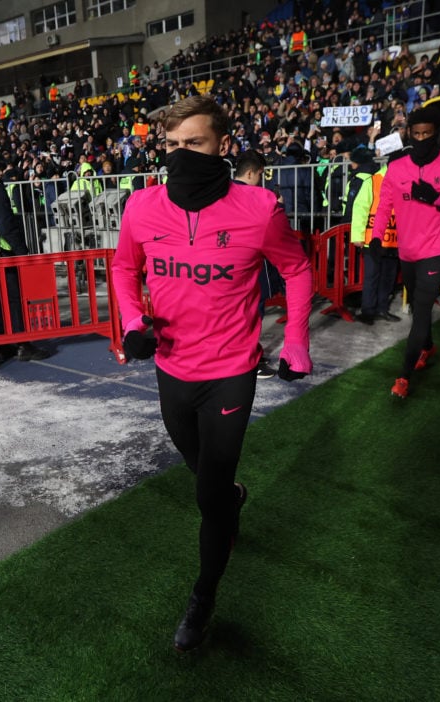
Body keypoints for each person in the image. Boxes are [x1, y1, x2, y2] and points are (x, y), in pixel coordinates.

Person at [111, 95, 313, 652]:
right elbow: (124, 267)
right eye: (172, 145)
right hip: (172, 369)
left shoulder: (260, 207)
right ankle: (231, 500)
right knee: (209, 481)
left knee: (208, 494)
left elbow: (295, 269)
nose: (180, 155)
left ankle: (202, 597)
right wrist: (132, 320)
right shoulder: (142, 207)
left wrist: (295, 340)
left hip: (232, 371)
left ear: (221, 144)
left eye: (193, 143)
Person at [370, 106, 440, 398]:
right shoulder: (397, 167)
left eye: (428, 134)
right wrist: (376, 239)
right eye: (417, 133)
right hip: (407, 251)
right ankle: (427, 346)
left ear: (437, 134)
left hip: (437, 250)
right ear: (409, 134)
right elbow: (384, 203)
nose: (422, 138)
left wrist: (437, 197)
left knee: (422, 309)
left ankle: (403, 377)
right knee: (416, 306)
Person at [0, 150, 50, 362]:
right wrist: (22, 251)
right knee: (14, 299)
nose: (1, 173)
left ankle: (3, 345)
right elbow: (6, 224)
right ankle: (23, 344)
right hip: (1, 252)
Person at [233, 149, 280, 379]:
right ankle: (248, 360)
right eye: (260, 174)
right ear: (251, 173)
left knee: (242, 314)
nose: (261, 180)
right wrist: (277, 207)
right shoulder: (258, 198)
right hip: (250, 266)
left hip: (231, 267)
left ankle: (248, 355)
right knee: (251, 314)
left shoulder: (223, 193)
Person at [352, 141, 404, 327]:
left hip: (394, 240)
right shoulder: (373, 181)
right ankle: (368, 311)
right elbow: (360, 208)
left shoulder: (403, 181)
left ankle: (381, 308)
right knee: (372, 276)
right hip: (373, 239)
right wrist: (357, 235)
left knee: (388, 277)